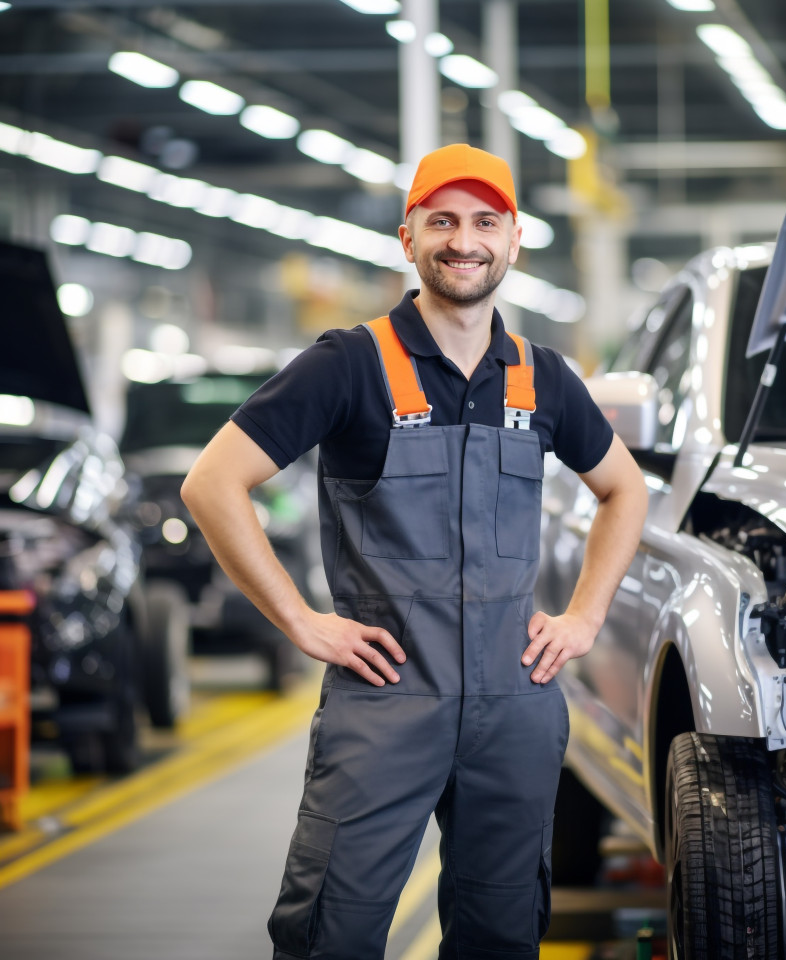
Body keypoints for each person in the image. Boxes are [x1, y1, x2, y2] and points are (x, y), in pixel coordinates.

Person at [181, 142, 648, 960]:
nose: (462, 240)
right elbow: (212, 484)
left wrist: (583, 617)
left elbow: (626, 489)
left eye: (483, 222)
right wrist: (299, 620)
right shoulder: (348, 365)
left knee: (502, 937)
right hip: (386, 701)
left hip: (515, 705)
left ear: (512, 241)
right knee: (335, 931)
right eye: (442, 221)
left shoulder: (542, 378)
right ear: (409, 238)